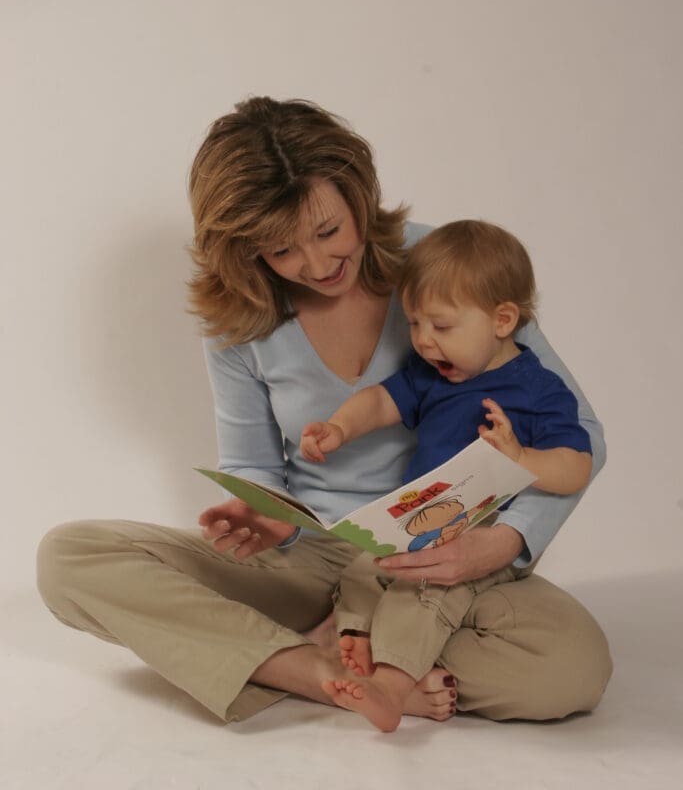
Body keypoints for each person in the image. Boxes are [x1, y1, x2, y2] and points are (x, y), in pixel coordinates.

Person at [36, 97, 612, 726]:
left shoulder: (445, 268)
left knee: (571, 669)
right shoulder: (243, 317)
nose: (316, 265)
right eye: (280, 251)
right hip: (307, 561)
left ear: (359, 194)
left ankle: (315, 651)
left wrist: (502, 542)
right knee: (71, 558)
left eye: (328, 231)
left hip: (436, 561)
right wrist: (261, 512)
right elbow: (254, 464)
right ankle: (315, 670)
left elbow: (579, 435)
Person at [300, 220, 593, 731]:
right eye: (414, 324)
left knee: (426, 590)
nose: (424, 341)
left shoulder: (538, 391)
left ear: (503, 320)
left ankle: (392, 688)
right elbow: (381, 401)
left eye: (441, 326)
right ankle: (354, 636)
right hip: (418, 525)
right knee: (364, 569)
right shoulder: (430, 375)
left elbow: (576, 467)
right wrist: (340, 428)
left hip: (481, 535)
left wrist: (520, 458)